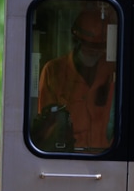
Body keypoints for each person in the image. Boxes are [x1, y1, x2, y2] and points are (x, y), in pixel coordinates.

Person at [36, 8, 115, 151]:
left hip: (107, 157)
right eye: (89, 45)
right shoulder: (53, 71)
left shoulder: (114, 71)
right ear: (77, 41)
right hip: (68, 156)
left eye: (100, 46)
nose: (94, 51)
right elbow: (45, 124)